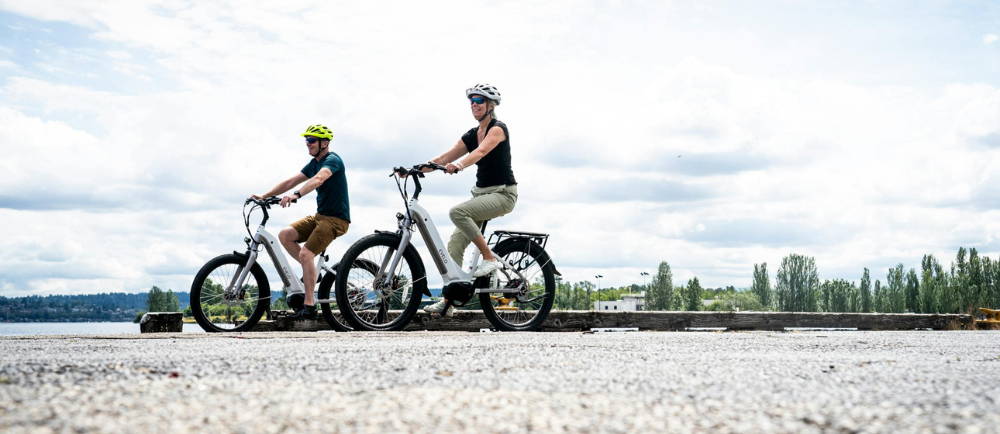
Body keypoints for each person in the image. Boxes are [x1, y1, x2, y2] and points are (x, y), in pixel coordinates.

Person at [423, 84, 518, 316]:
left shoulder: (498, 129)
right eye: (472, 101)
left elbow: (480, 153)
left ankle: (489, 258)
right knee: (454, 246)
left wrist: (459, 165)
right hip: (481, 194)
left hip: (503, 194)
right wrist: (417, 169)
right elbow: (445, 156)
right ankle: (449, 302)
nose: (474, 104)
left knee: (458, 212)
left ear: (491, 105)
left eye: (479, 100)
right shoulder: (471, 134)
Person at [252, 124, 350, 320]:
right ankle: (312, 271)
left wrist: (296, 195)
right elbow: (291, 181)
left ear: (324, 143)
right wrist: (264, 196)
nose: (308, 144)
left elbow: (319, 180)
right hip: (320, 216)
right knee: (285, 235)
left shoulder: (332, 160)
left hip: (336, 220)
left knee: (306, 254)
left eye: (312, 140)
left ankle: (309, 306)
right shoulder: (313, 162)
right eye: (307, 141)